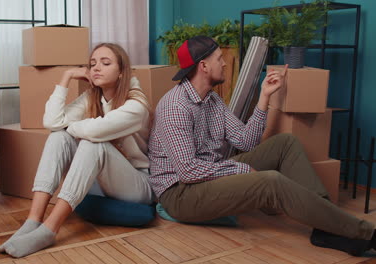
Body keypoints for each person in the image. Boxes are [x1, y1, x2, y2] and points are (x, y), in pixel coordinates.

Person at [148, 35, 376, 256]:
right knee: (270, 181)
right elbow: (188, 171)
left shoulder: (213, 100)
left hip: (209, 174)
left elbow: (246, 141)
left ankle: (327, 226)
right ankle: (366, 233)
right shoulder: (175, 107)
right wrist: (243, 169)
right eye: (219, 58)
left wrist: (264, 97)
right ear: (204, 66)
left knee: (285, 143)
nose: (225, 63)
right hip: (180, 193)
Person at [0, 43, 155, 258]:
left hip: (138, 184)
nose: (96, 68)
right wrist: (67, 76)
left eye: (105, 63)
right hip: (104, 183)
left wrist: (72, 128)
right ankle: (33, 220)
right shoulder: (93, 96)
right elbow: (52, 122)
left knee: (92, 141)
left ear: (121, 72)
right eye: (92, 64)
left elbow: (96, 130)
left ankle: (50, 229)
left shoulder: (136, 104)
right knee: (58, 137)